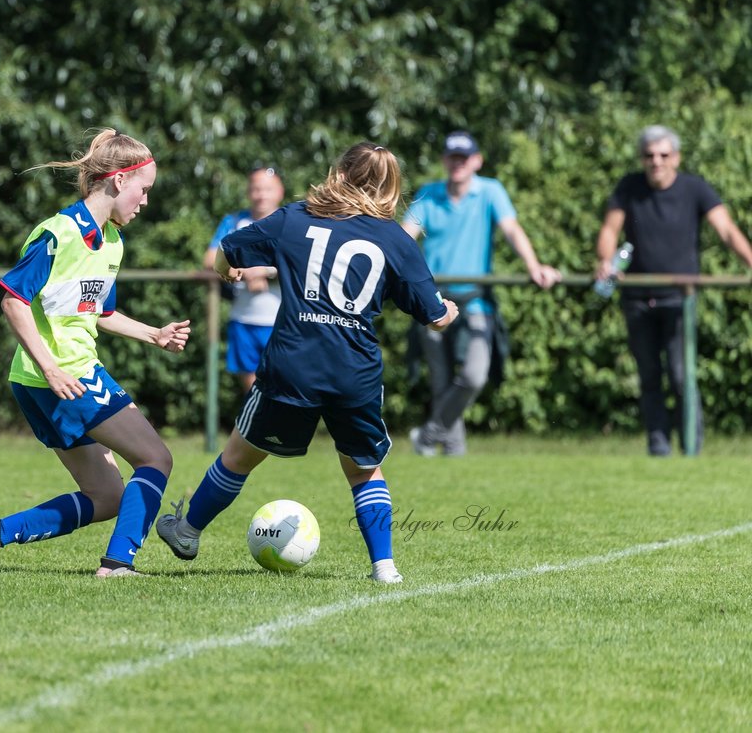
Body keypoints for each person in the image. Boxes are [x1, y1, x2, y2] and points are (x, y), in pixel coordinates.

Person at [155, 143, 458, 583]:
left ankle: (186, 531)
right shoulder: (395, 238)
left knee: (239, 455)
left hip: (293, 364)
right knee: (363, 469)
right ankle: (384, 567)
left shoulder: (296, 216)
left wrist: (226, 269)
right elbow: (434, 318)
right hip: (354, 371)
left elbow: (230, 248)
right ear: (391, 185)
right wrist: (449, 310)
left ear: (340, 173)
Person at [0, 128, 191, 579]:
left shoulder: (111, 243)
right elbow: (12, 299)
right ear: (119, 181)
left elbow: (100, 312)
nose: (145, 202)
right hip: (63, 376)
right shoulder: (59, 233)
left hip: (51, 380)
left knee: (107, 497)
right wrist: (51, 367)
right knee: (156, 458)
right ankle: (118, 565)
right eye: (144, 190)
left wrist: (153, 335)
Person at [401, 130, 561, 457]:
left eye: (464, 157)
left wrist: (534, 266)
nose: (457, 164)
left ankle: (428, 437)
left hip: (475, 299)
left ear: (476, 161)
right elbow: (405, 239)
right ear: (445, 160)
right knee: (441, 381)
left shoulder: (490, 191)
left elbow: (512, 229)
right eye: (452, 157)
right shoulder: (428, 195)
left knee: (475, 375)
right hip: (433, 300)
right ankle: (454, 455)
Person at [595, 125, 752, 456]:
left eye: (664, 155)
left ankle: (691, 447)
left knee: (682, 377)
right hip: (637, 298)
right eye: (650, 156)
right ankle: (658, 448)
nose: (657, 162)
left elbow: (726, 230)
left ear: (676, 158)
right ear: (642, 158)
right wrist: (605, 261)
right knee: (649, 376)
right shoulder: (629, 187)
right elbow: (610, 229)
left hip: (681, 299)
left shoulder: (695, 188)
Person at [205, 166, 285, 392]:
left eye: (268, 189)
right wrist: (247, 271)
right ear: (249, 191)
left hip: (282, 319)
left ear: (280, 191)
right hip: (243, 317)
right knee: (250, 384)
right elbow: (211, 257)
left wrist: (265, 272)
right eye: (256, 188)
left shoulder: (292, 220)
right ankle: (261, 424)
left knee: (283, 381)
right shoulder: (234, 221)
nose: (262, 195)